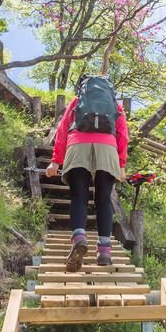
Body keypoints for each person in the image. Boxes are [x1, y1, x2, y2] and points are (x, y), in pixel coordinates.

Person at [46, 76, 128, 271]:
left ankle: (80, 237)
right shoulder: (115, 104)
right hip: (107, 148)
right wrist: (121, 165)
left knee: (78, 197)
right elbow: (123, 133)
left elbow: (63, 130)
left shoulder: (77, 101)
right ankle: (104, 253)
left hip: (77, 146)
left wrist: (56, 161)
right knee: (103, 200)